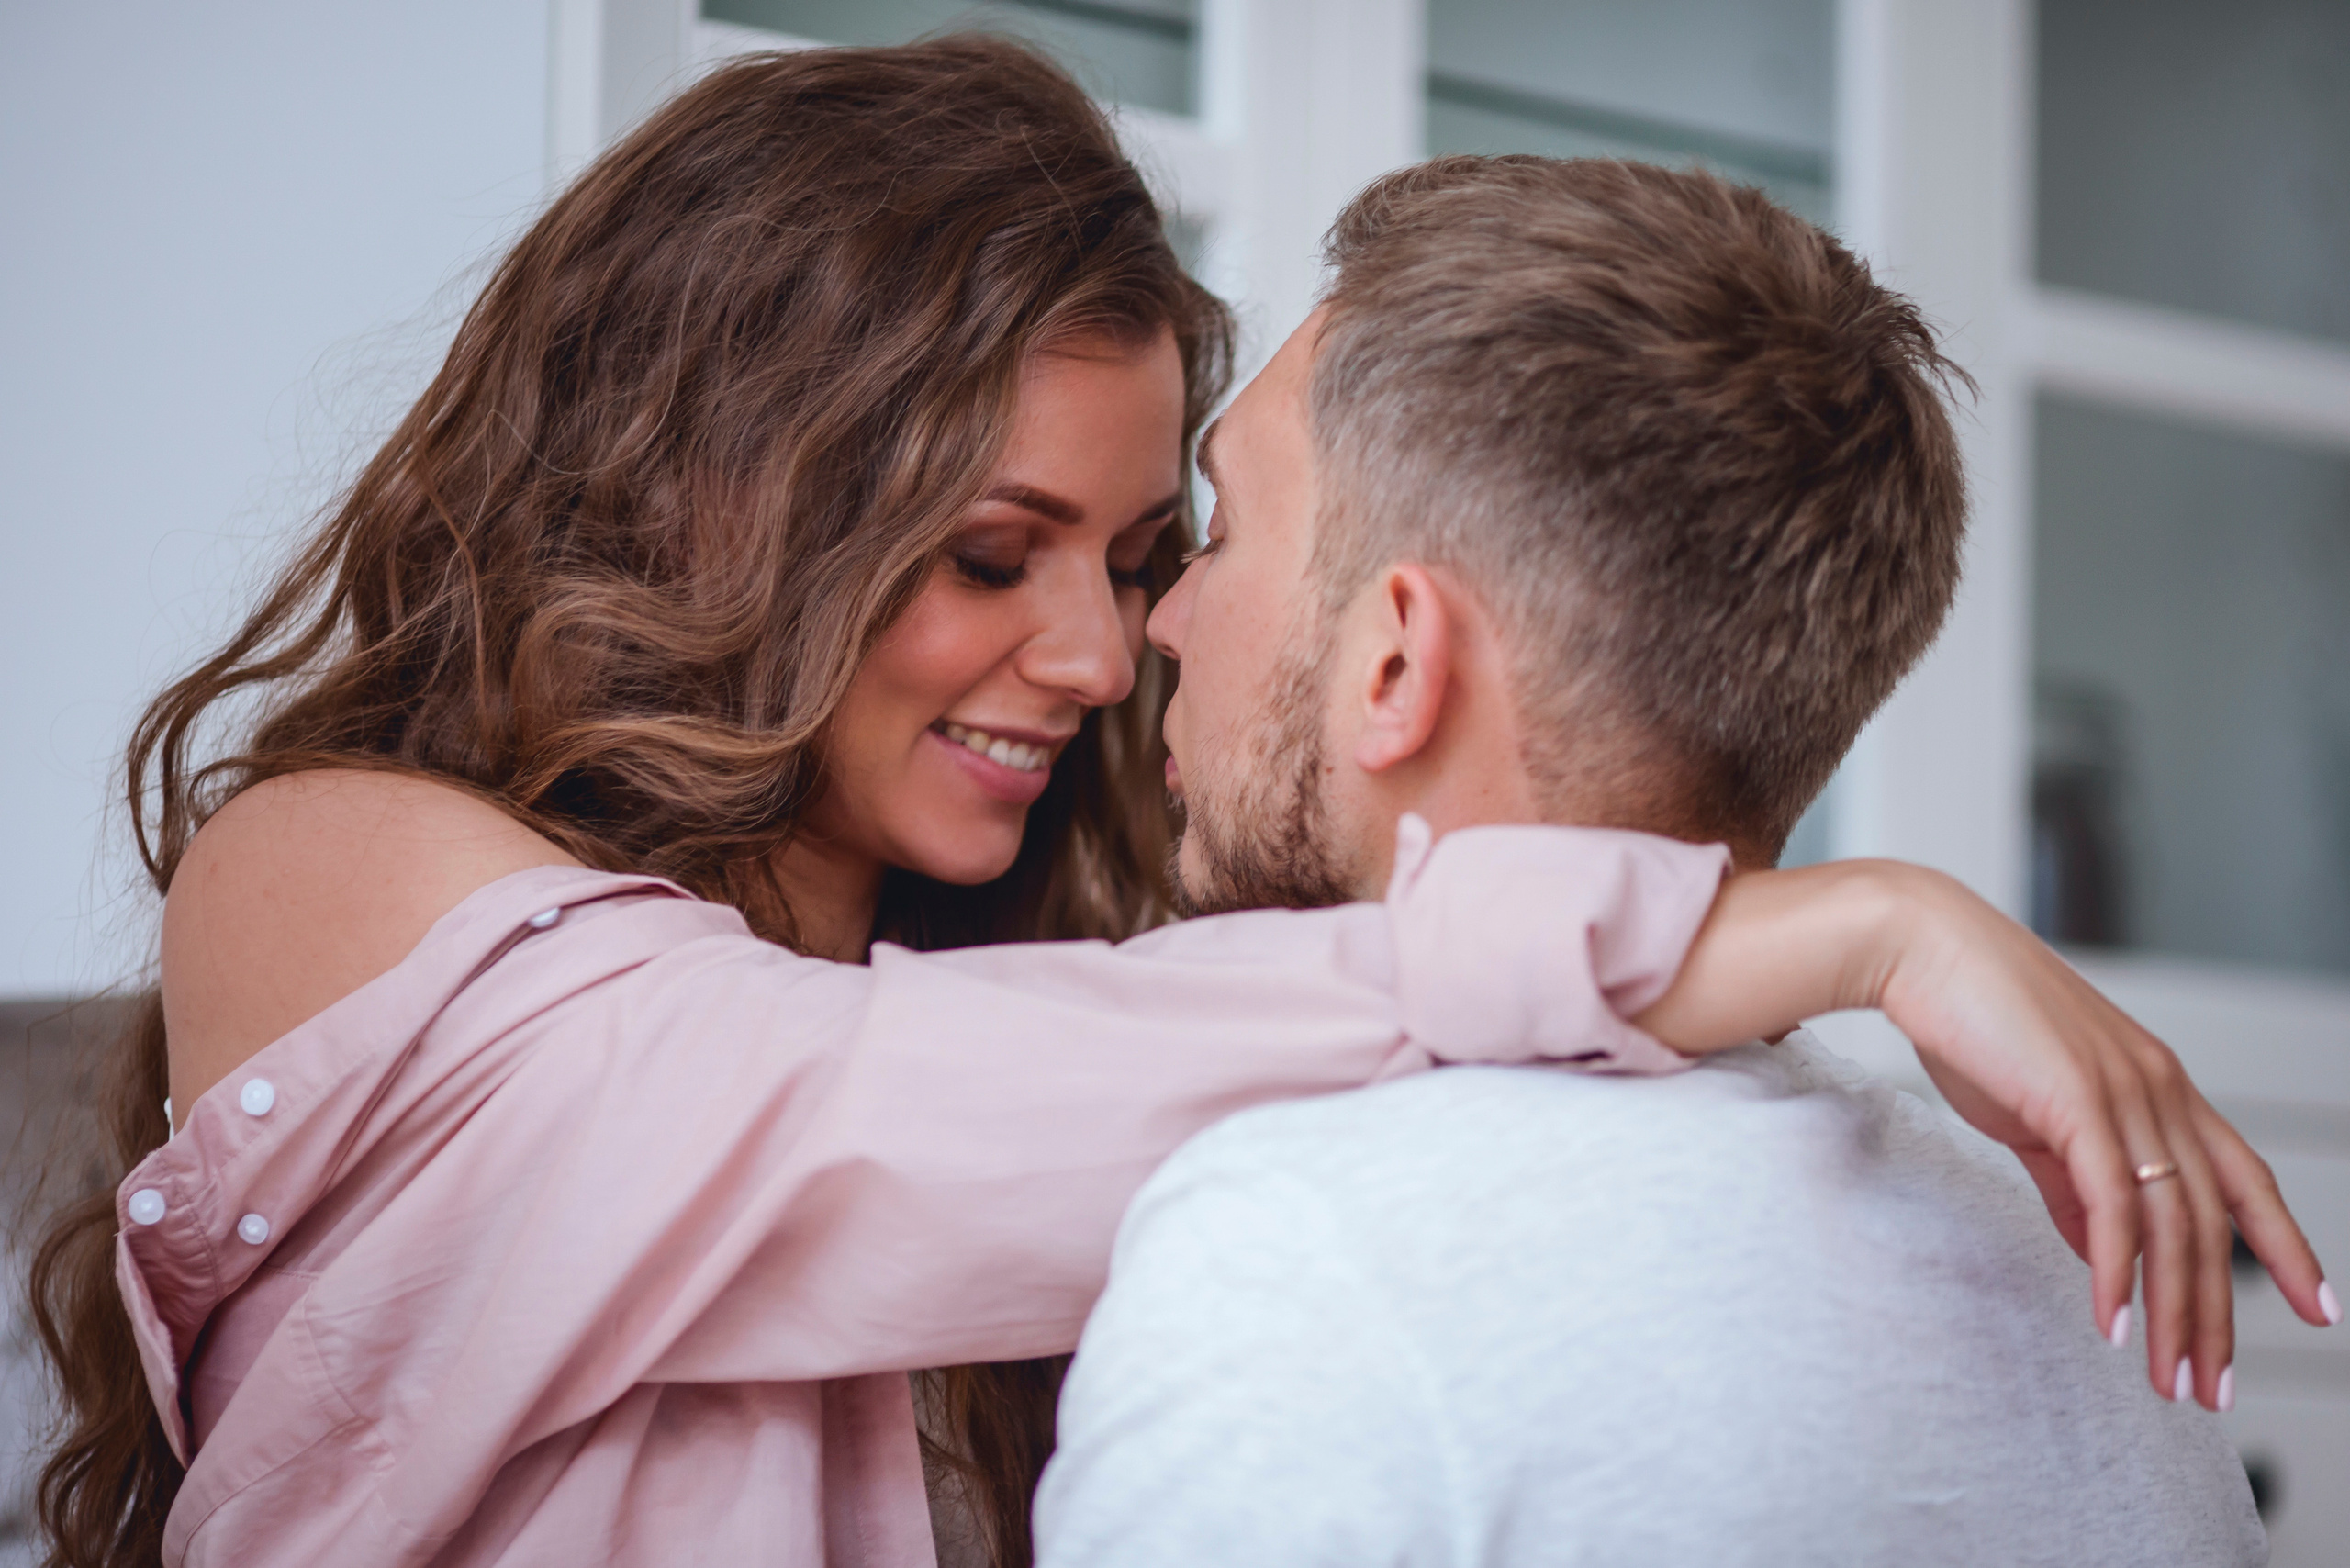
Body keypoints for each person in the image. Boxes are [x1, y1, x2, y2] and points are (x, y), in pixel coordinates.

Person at [25, 40, 2319, 1568]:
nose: (1104, 658)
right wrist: (1827, 926)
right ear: (723, 497)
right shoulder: (327, 859)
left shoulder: (1107, 1042)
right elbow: (827, 1119)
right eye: (985, 552)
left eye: (1144, 561)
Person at [1033, 157, 2340, 1566]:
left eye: (1218, 535)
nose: (1159, 625)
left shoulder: (1297, 1254)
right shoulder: (2080, 1293)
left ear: (1397, 663)